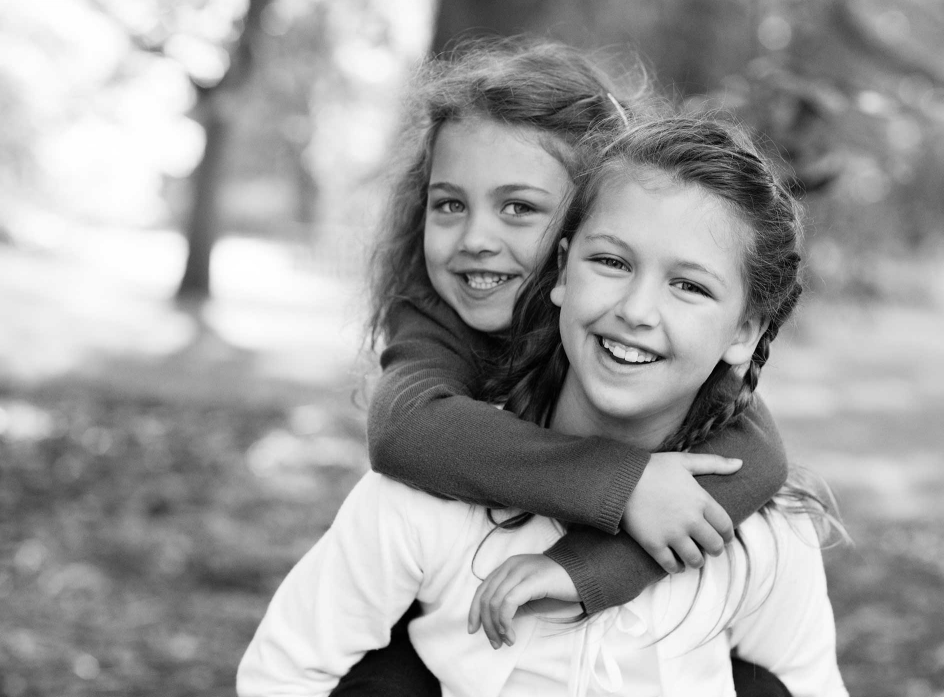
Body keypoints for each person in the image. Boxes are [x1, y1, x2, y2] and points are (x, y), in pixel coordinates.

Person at [237, 115, 846, 697]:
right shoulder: (424, 501)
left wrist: (593, 568)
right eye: (611, 262)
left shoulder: (764, 534)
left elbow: (805, 684)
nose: (636, 310)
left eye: (688, 286)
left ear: (744, 331)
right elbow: (283, 677)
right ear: (560, 271)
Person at [332, 40, 792, 695]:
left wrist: (589, 570)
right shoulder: (435, 316)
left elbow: (758, 458)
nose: (477, 239)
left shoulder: (617, 321)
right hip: (446, 623)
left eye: (519, 208)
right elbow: (405, 431)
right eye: (450, 204)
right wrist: (623, 483)